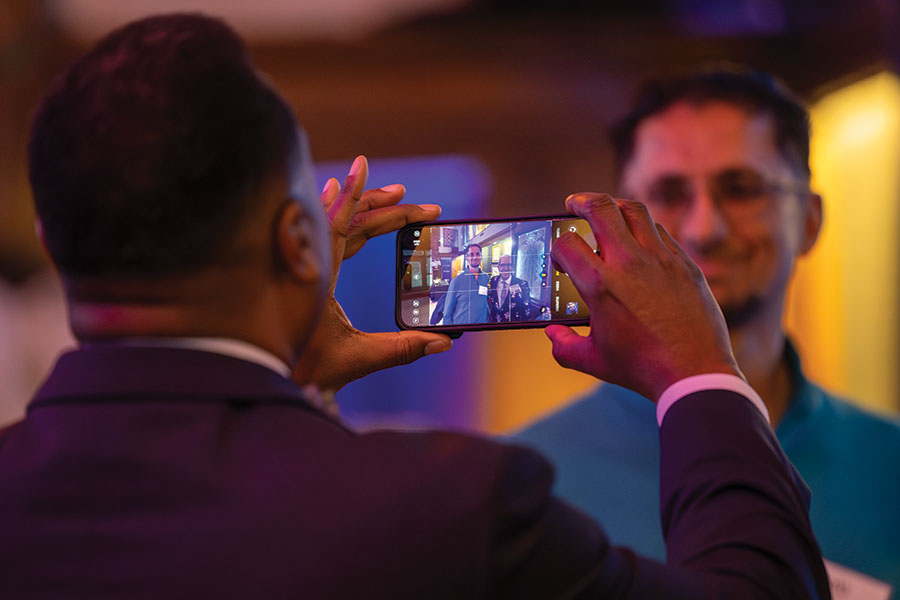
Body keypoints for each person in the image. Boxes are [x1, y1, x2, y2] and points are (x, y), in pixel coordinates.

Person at [0, 15, 830, 598]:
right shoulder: (451, 507)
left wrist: (292, 383)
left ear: (52, 235)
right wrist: (700, 375)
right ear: (298, 242)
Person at [515, 68, 900, 593]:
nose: (704, 229)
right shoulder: (524, 482)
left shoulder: (890, 465)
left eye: (741, 189)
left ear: (809, 219)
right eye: (669, 193)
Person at [441, 242, 489, 325]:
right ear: (466, 258)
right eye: (471, 254)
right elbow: (447, 314)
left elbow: (484, 301)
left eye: (477, 254)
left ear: (481, 256)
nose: (474, 257)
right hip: (462, 328)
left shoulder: (485, 277)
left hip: (482, 327)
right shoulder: (456, 281)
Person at [488, 254, 533, 322]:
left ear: (512, 267)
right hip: (495, 326)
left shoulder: (522, 284)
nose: (506, 268)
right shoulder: (493, 281)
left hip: (512, 326)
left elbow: (526, 309)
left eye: (509, 265)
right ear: (498, 267)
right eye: (503, 265)